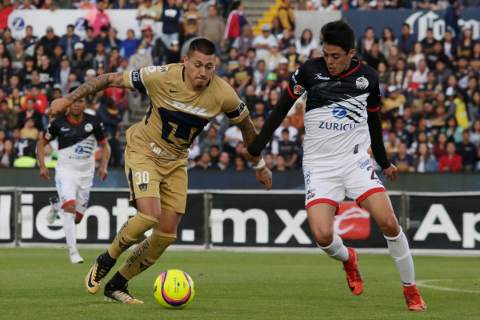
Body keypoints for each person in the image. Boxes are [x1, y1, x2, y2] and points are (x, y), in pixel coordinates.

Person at [48, 38, 272, 303]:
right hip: (144, 151)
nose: (203, 72)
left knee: (166, 234)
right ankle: (105, 260)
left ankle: (117, 285)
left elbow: (247, 126)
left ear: (216, 66)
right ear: (185, 61)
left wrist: (259, 164)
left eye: (209, 66)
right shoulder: (160, 76)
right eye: (197, 64)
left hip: (177, 162)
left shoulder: (224, 93)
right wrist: (68, 98)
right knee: (149, 214)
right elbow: (109, 79)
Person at [243, 20, 426, 311]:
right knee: (323, 235)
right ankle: (349, 259)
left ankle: (411, 290)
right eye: (326, 55)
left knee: (389, 222)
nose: (329, 62)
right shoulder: (308, 71)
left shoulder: (368, 78)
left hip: (355, 161)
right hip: (319, 166)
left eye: (335, 56)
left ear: (351, 53)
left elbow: (374, 122)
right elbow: (280, 109)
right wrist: (256, 147)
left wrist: (383, 161)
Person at [37, 89, 110, 264]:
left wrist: (104, 166)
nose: (77, 104)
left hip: (86, 173)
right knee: (69, 209)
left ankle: (56, 206)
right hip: (65, 171)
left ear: (85, 104)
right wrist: (42, 165)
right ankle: (73, 252)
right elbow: (41, 143)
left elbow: (105, 146)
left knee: (77, 217)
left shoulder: (94, 122)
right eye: (74, 101)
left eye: (80, 101)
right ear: (69, 103)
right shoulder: (58, 123)